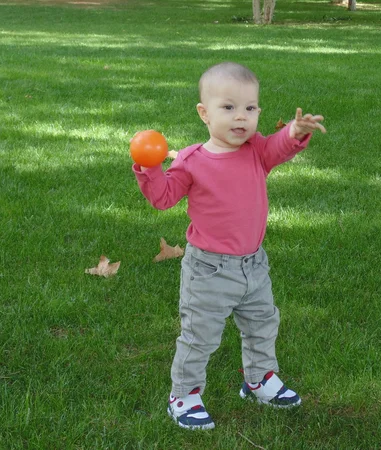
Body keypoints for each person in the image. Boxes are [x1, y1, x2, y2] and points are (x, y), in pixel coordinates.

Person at [132, 62, 326, 430]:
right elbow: (163, 198)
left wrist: (294, 131)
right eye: (229, 108)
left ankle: (259, 379)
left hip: (254, 264)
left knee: (263, 324)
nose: (242, 117)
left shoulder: (256, 151)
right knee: (200, 336)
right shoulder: (192, 160)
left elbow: (279, 147)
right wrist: (150, 167)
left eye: (250, 108)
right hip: (209, 270)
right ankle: (184, 396)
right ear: (204, 114)